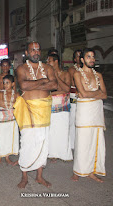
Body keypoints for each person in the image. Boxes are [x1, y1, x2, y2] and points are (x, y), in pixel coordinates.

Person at [13, 41, 57, 188]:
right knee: (27, 143)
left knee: (43, 143)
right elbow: (23, 85)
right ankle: (24, 176)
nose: (36, 52)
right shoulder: (21, 68)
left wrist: (35, 83)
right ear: (27, 52)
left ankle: (39, 176)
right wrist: (44, 81)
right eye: (33, 50)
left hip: (43, 109)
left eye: (38, 50)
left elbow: (54, 85)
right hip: (28, 110)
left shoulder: (48, 68)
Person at [71, 48, 107, 183]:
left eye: (93, 57)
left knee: (95, 140)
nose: (91, 59)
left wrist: (91, 94)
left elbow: (104, 94)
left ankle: (91, 171)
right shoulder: (77, 74)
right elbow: (84, 94)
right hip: (84, 111)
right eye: (88, 57)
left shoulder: (99, 75)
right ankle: (78, 170)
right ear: (82, 59)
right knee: (82, 141)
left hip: (96, 111)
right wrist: (96, 93)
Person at [46, 54, 73, 162]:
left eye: (49, 60)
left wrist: (56, 77)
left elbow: (67, 89)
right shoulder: (48, 75)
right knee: (52, 130)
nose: (48, 63)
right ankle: (53, 153)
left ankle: (64, 153)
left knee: (63, 130)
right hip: (51, 106)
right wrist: (58, 91)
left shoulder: (65, 74)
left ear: (56, 61)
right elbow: (48, 90)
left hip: (63, 106)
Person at [0, 75, 19, 166]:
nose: (5, 85)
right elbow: (0, 103)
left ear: (13, 84)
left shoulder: (16, 94)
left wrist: (9, 104)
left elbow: (18, 104)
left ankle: (7, 156)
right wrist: (11, 104)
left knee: (9, 137)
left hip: (12, 118)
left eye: (7, 83)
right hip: (3, 118)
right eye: (3, 83)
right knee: (1, 136)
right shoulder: (0, 93)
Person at [67, 49, 82, 150]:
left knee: (81, 119)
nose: (79, 58)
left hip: (83, 97)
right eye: (77, 56)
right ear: (74, 59)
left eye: (81, 55)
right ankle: (72, 144)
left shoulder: (87, 68)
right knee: (72, 119)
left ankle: (81, 142)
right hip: (73, 95)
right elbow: (72, 84)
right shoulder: (72, 70)